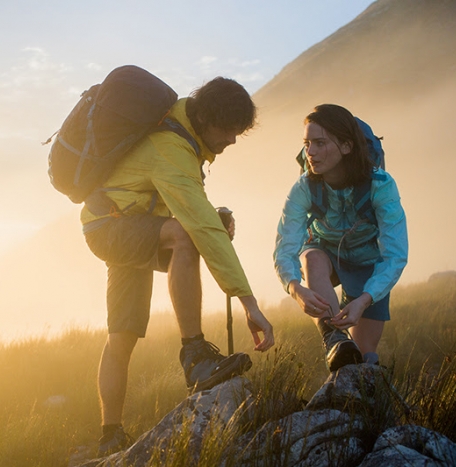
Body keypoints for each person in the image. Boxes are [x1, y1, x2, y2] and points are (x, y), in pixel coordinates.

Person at [82, 77, 275, 456]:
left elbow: (181, 203)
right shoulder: (172, 145)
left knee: (121, 335)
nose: (234, 139)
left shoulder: (179, 133)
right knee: (186, 236)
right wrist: (248, 304)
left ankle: (110, 435)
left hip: (119, 221)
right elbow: (199, 226)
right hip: (113, 227)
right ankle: (196, 355)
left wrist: (207, 214)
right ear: (206, 119)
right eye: (230, 129)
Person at [274, 104, 408, 372]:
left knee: (363, 358)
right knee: (312, 257)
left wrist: (364, 299)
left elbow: (395, 255)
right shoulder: (304, 187)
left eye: (320, 143)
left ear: (346, 147)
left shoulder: (380, 185)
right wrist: (294, 287)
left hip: (368, 261)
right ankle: (332, 337)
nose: (310, 152)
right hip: (325, 251)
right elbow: (285, 247)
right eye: (307, 143)